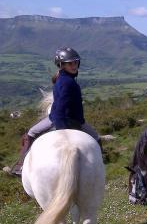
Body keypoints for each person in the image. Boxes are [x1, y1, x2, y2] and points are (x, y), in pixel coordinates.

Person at [8, 47, 100, 176]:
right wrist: (63, 128)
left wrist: (61, 126)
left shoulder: (63, 81)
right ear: (62, 65)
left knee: (31, 133)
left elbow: (60, 108)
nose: (74, 66)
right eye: (70, 63)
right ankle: (99, 168)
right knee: (95, 137)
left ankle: (20, 166)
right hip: (71, 120)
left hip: (56, 118)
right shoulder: (68, 82)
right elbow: (63, 106)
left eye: (75, 62)